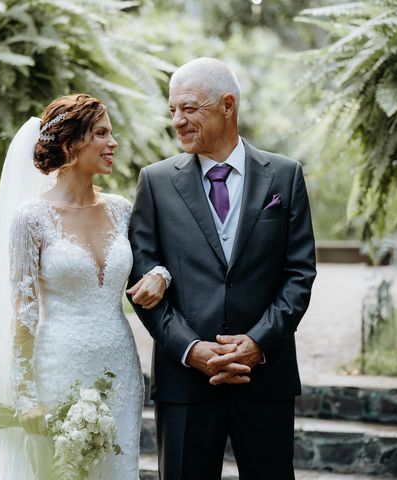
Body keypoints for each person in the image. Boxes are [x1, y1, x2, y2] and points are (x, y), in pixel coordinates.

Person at [0, 94, 170, 479]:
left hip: (121, 371)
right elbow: (23, 314)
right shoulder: (31, 218)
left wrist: (161, 275)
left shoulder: (123, 209)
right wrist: (26, 397)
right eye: (101, 133)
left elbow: (152, 263)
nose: (113, 143)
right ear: (70, 145)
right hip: (58, 368)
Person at [128, 57, 317, 479]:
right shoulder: (155, 183)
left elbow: (299, 273)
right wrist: (190, 349)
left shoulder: (284, 177)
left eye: (189, 108)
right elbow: (141, 280)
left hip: (264, 377)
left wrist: (258, 342)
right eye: (172, 110)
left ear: (227, 105)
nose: (177, 121)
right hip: (185, 381)